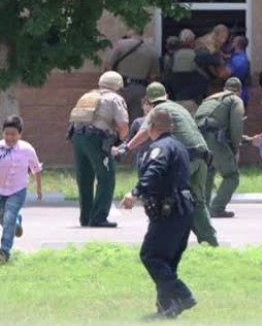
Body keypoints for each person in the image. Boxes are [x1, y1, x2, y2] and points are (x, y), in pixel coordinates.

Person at [114, 82, 219, 246]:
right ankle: (210, 243)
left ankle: (164, 241)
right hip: (202, 157)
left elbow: (143, 133)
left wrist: (125, 148)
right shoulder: (179, 108)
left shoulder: (158, 111)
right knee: (197, 202)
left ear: (148, 101)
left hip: (185, 157)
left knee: (164, 195)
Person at [120, 108, 197, 319]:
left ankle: (183, 295)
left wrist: (135, 192)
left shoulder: (159, 148)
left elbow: (155, 171)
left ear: (151, 127)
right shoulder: (179, 146)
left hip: (169, 211)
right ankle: (165, 309)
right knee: (166, 261)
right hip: (183, 210)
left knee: (151, 255)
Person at [67, 71, 129, 227]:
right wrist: (120, 142)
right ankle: (99, 217)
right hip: (96, 140)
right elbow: (123, 125)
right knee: (106, 176)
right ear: (117, 85)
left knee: (84, 179)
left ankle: (86, 217)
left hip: (77, 137)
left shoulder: (87, 96)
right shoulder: (115, 99)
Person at [0, 116, 43, 264]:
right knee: (4, 220)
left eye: (13, 134)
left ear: (20, 134)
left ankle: (4, 252)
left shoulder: (27, 149)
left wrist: (39, 189)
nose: (9, 137)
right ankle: (17, 222)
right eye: (6, 133)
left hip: (18, 190)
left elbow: (36, 170)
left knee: (8, 219)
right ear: (3, 133)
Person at [195, 77, 245, 218]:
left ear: (225, 88)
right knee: (232, 175)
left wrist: (246, 140)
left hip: (199, 137)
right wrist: (235, 149)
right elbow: (236, 126)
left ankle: (202, 208)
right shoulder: (235, 100)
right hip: (214, 139)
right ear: (239, 91)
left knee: (208, 172)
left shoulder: (209, 99)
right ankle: (217, 208)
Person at [105, 27, 160, 123]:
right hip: (141, 90)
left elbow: (108, 67)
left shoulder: (120, 45)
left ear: (130, 31)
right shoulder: (151, 50)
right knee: (136, 122)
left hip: (121, 89)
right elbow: (153, 76)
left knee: (118, 122)